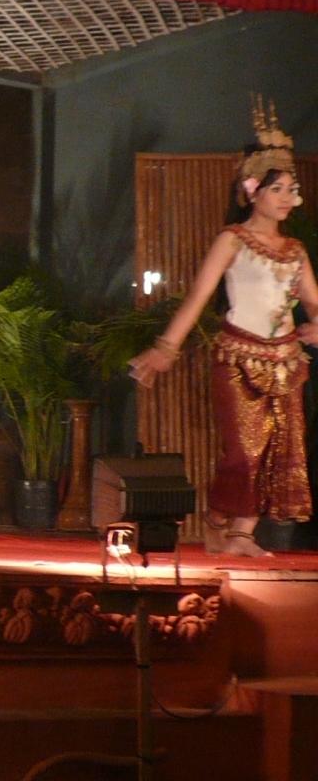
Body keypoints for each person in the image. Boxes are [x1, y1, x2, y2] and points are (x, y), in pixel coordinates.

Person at [129, 97, 317, 557]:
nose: (288, 197)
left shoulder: (295, 251)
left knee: (279, 449)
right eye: (278, 188)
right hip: (237, 358)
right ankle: (218, 519)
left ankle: (241, 533)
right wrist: (166, 347)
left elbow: (315, 304)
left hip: (286, 363)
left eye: (292, 189)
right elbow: (198, 298)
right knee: (244, 450)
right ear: (252, 191)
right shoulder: (232, 240)